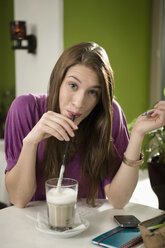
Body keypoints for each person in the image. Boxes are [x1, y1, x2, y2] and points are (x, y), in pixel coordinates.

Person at [4, 42, 165, 208]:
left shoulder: (108, 114)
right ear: (58, 81)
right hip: (33, 225)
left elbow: (119, 200)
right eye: (73, 85)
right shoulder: (25, 108)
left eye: (93, 92)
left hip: (88, 226)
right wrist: (31, 142)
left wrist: (137, 134)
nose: (79, 103)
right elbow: (18, 199)